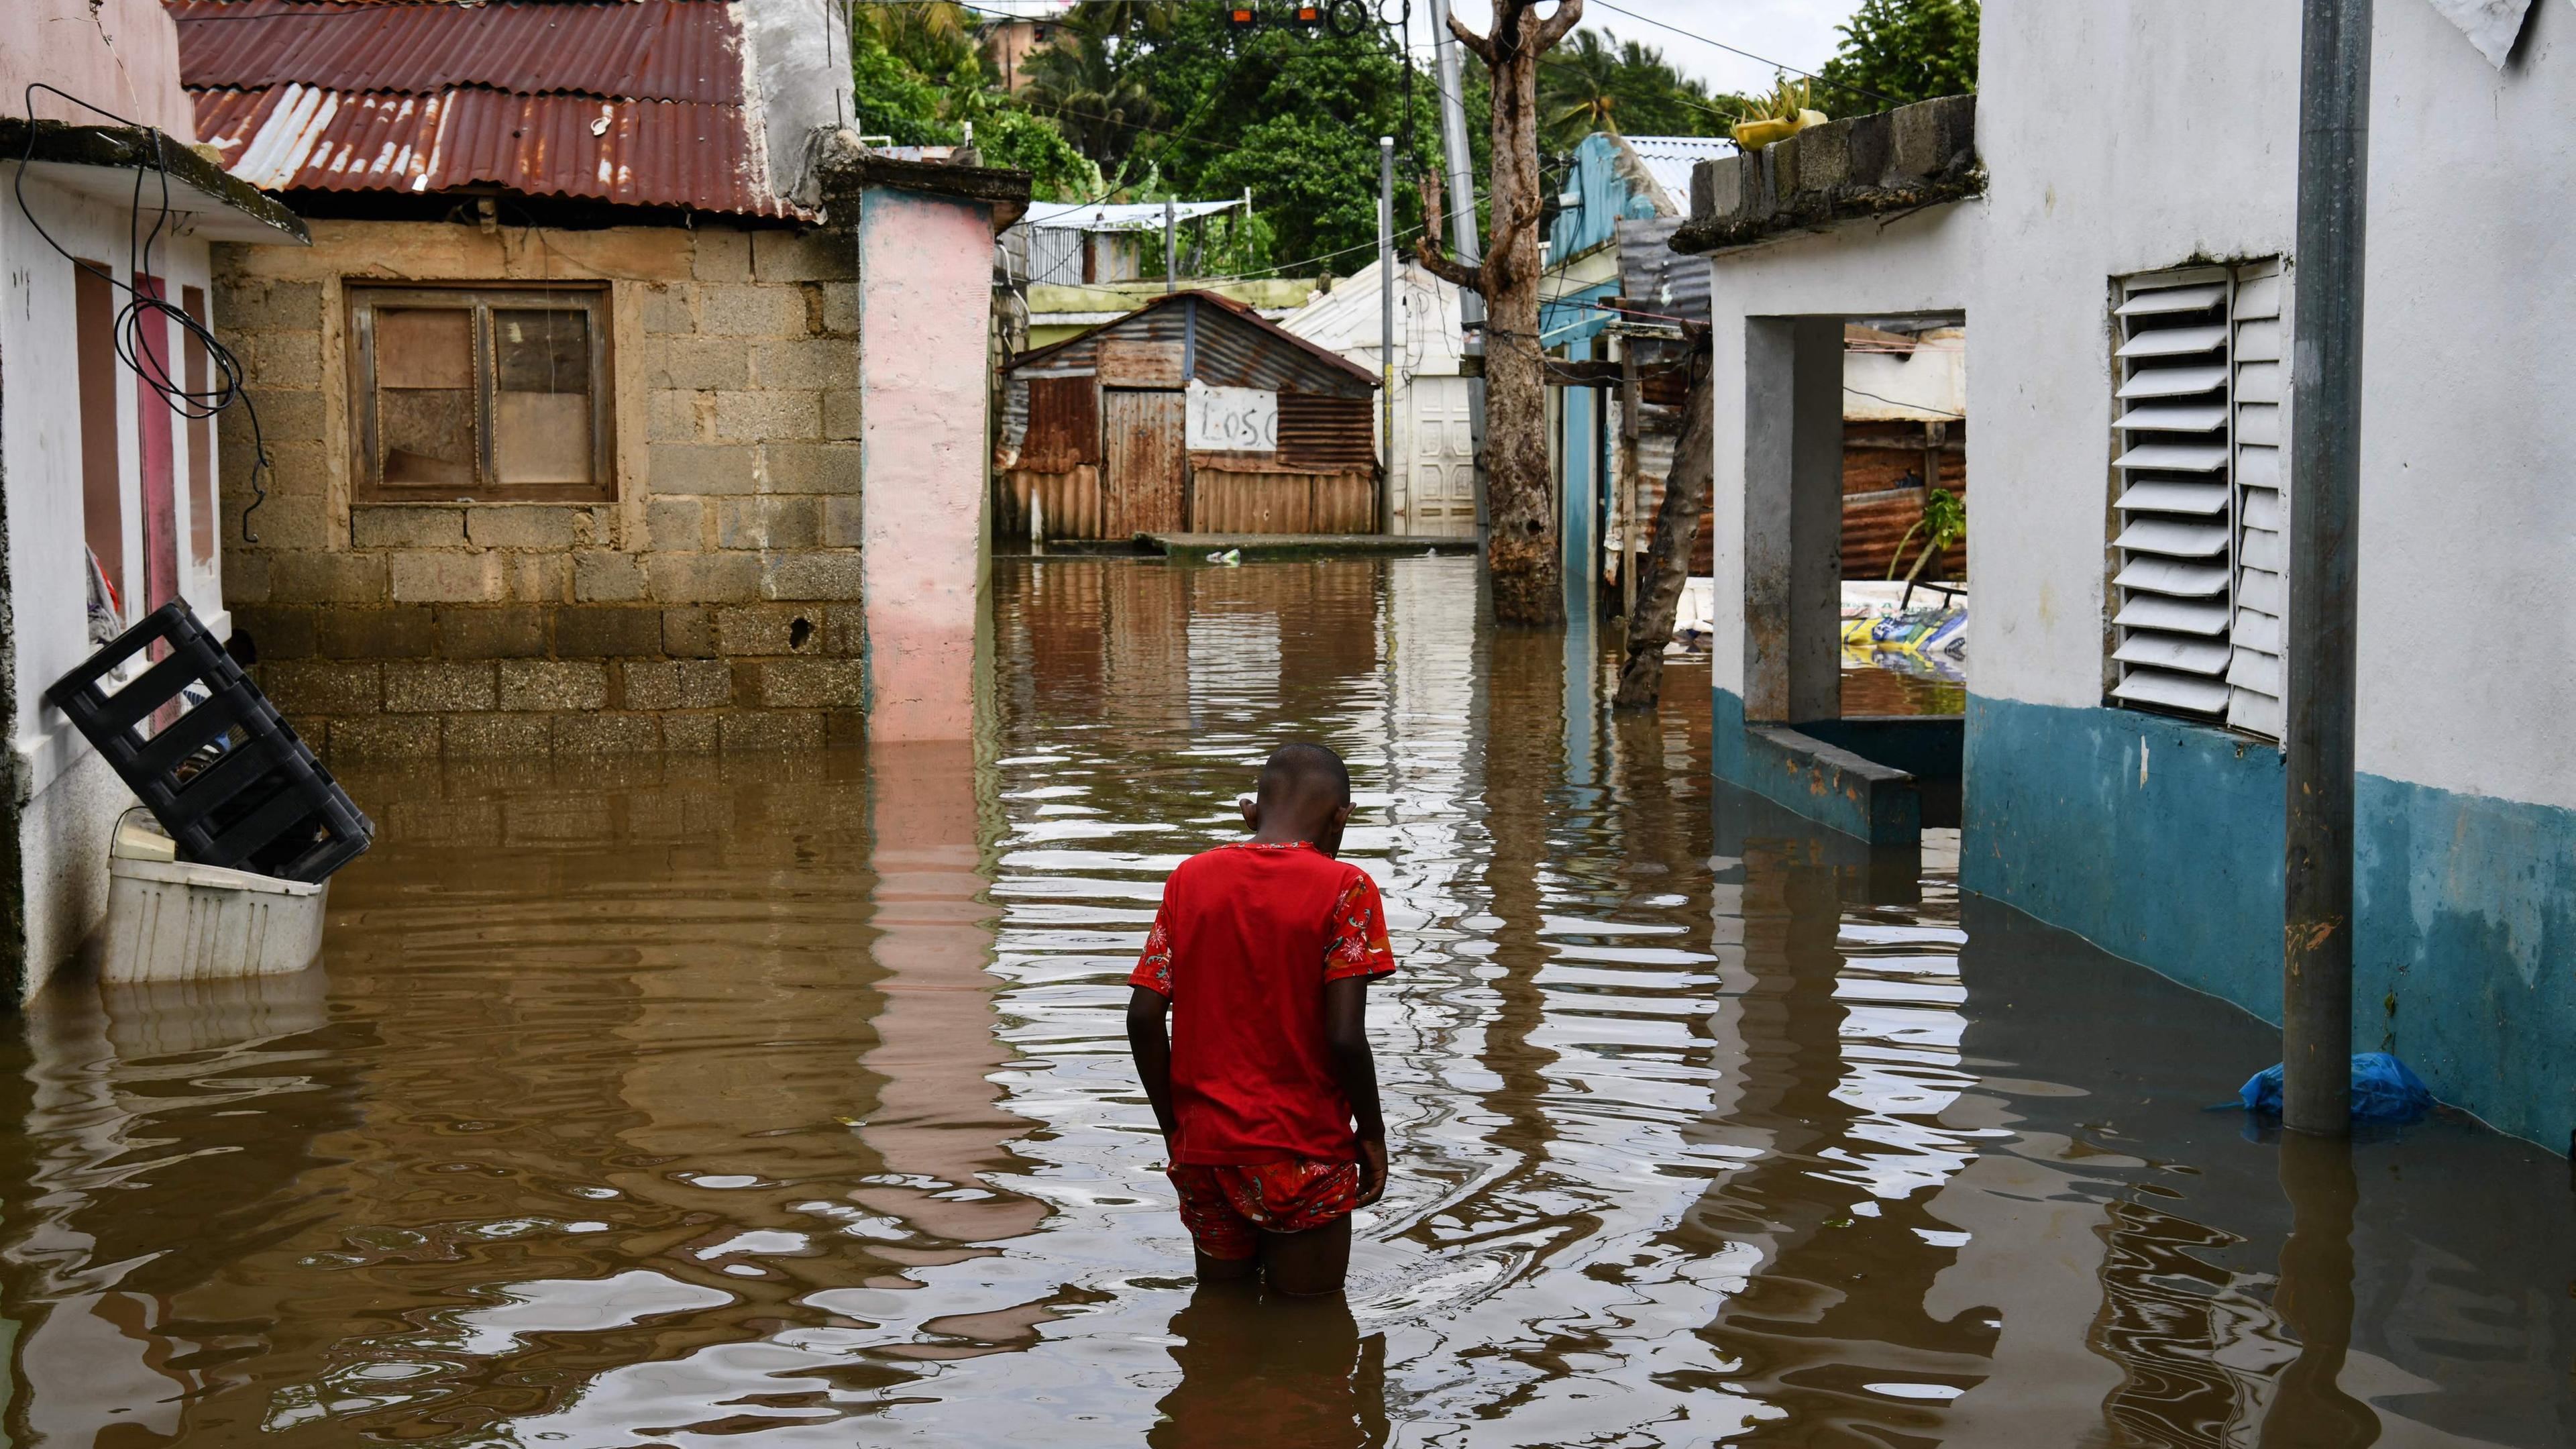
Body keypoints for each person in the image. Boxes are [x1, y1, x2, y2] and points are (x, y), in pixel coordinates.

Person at [1126, 741, 1395, 1295]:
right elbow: (1345, 1038)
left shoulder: (1189, 880)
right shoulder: (1348, 889)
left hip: (1204, 1156)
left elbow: (1144, 1017)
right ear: (1341, 815)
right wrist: (1371, 1136)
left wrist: (1176, 1128)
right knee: (1312, 1335)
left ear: (1250, 810)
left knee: (1219, 1321)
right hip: (1302, 1154)